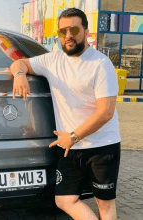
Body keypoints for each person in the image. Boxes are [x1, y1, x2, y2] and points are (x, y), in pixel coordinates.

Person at [10, 7, 121, 220]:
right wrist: (20, 74)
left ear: (86, 31)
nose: (68, 35)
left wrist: (73, 136)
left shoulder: (100, 64)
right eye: (63, 31)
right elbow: (19, 62)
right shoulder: (52, 60)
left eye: (74, 29)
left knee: (104, 204)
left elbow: (106, 112)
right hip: (69, 147)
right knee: (64, 199)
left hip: (101, 145)